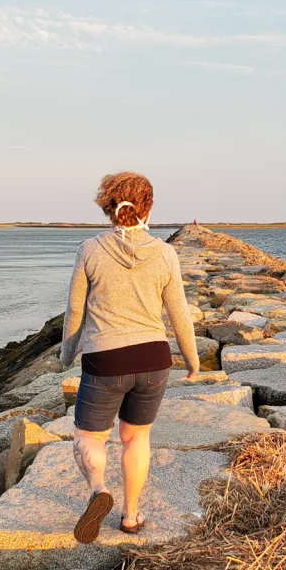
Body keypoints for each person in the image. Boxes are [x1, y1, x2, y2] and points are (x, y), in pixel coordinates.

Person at [60, 171, 199, 543]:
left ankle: (98, 490)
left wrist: (66, 354)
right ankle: (131, 516)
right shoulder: (166, 253)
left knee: (88, 437)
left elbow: (75, 312)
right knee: (136, 438)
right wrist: (192, 359)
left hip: (107, 360)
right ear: (148, 206)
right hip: (154, 360)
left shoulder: (89, 249)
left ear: (107, 206)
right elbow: (179, 313)